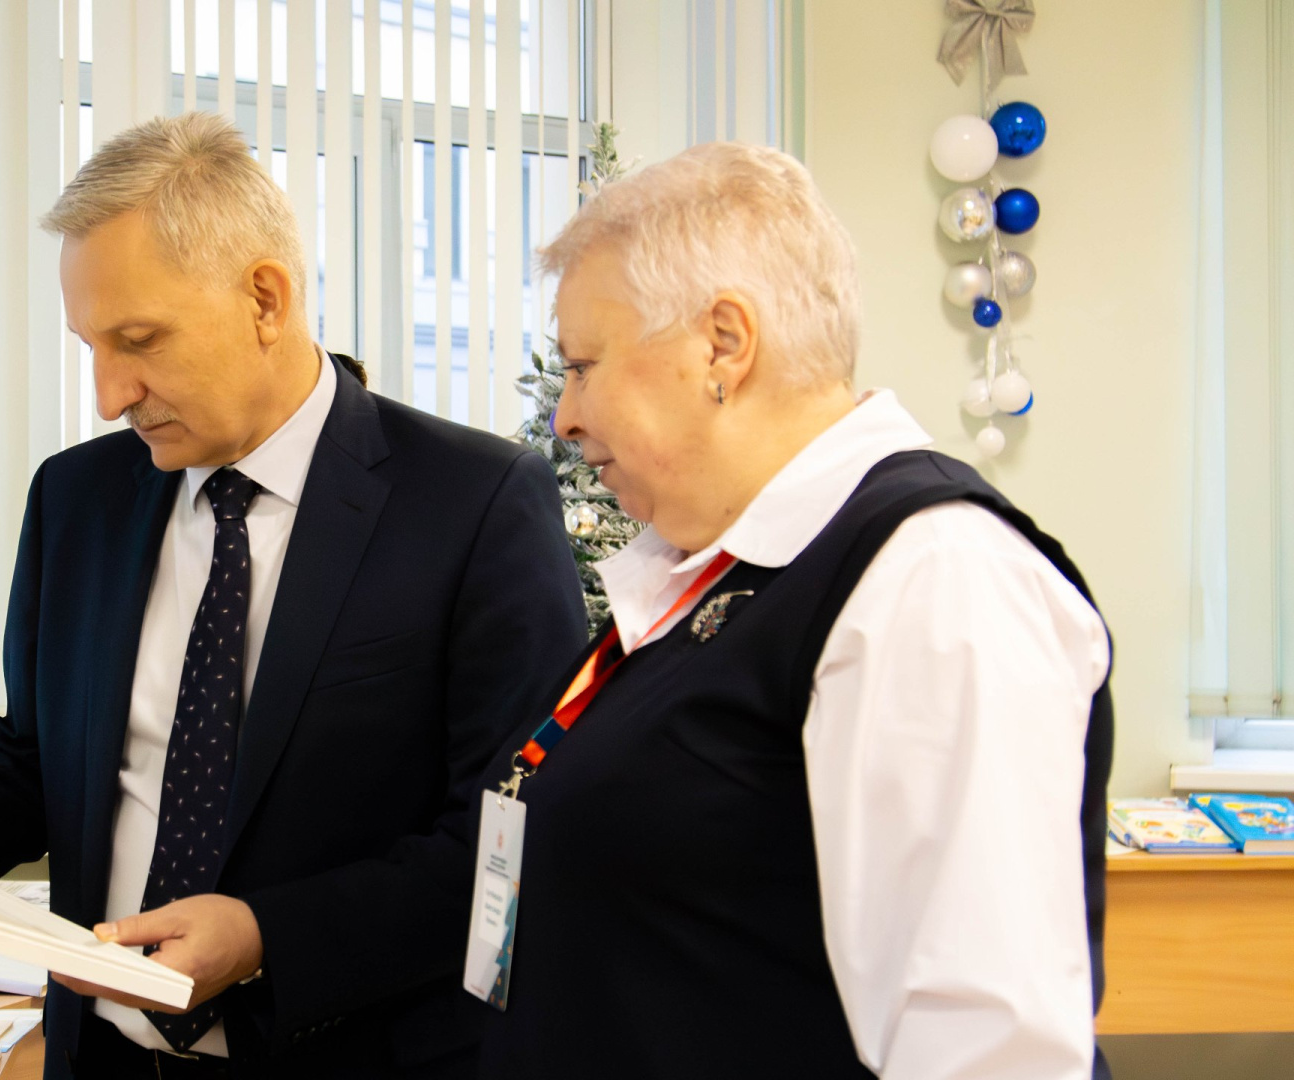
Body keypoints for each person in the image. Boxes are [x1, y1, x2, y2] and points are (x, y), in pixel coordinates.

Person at [0, 111, 587, 1080]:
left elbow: (512, 843)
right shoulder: (78, 501)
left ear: (265, 299)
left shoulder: (473, 505)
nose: (109, 394)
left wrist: (265, 934)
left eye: (138, 341)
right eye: (90, 347)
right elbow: (34, 770)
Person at [469, 141, 1113, 1079]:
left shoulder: (933, 577)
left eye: (584, 365)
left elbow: (984, 1046)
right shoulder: (715, 572)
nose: (565, 416)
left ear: (723, 345)